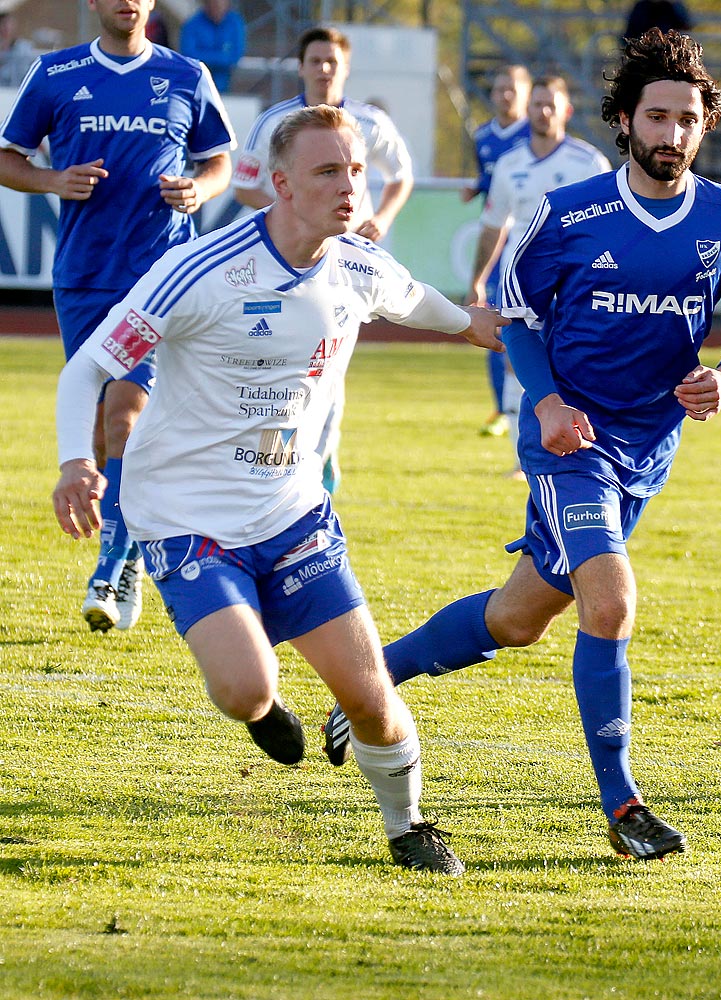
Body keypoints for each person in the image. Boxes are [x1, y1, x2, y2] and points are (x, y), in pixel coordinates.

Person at [324, 29, 721, 861]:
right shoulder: (570, 216)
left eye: (687, 120)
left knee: (516, 619)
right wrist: (542, 404)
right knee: (609, 602)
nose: (671, 134)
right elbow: (515, 321)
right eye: (656, 116)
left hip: (649, 450)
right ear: (622, 119)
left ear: (703, 126)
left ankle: (375, 674)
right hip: (568, 445)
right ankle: (623, 808)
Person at [51, 105, 508, 875]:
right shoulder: (197, 271)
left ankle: (409, 826)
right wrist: (74, 463)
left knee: (367, 700)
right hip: (184, 515)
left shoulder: (359, 267)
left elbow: (443, 313)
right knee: (242, 688)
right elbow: (87, 368)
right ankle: (263, 712)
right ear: (281, 184)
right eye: (329, 171)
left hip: (291, 512)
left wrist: (491, 327)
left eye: (356, 170)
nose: (349, 187)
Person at [0, 0, 235, 634]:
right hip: (82, 276)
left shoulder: (187, 74)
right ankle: (132, 549)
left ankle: (113, 567)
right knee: (104, 432)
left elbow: (219, 163)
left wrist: (200, 189)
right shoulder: (53, 73)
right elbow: (7, 157)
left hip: (160, 278)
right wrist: (52, 181)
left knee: (123, 420)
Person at [232, 25, 415, 495]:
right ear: (301, 67)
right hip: (285, 259)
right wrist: (295, 215)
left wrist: (386, 217)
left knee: (326, 365)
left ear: (345, 68)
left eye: (332, 61)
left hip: (346, 261)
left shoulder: (369, 122)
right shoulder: (273, 122)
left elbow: (401, 174)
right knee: (281, 360)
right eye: (315, 61)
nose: (323, 70)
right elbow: (245, 185)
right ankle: (279, 471)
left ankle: (319, 475)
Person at [467, 74, 610, 476]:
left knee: (572, 361)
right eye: (537, 104)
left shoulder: (588, 162)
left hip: (575, 283)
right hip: (522, 281)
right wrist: (479, 279)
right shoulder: (510, 164)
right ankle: (522, 457)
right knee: (517, 361)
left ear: (565, 110)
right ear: (527, 109)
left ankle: (581, 445)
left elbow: (604, 230)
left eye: (551, 104)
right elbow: (494, 224)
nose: (543, 111)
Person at [461, 64, 532, 440]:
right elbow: (490, 179)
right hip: (499, 240)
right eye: (500, 88)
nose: (505, 95)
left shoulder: (534, 136)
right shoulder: (483, 136)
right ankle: (501, 408)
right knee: (497, 326)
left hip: (530, 244)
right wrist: (476, 188)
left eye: (512, 90)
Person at [179, 0, 245, 94]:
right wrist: (222, 57)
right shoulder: (192, 24)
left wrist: (204, 57)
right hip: (196, 87)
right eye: (214, 3)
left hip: (224, 87)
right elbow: (188, 55)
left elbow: (235, 55)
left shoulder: (235, 22)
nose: (218, 7)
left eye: (221, 4)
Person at [623, 0, 694, 41]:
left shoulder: (673, 6)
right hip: (644, 47)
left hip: (669, 48)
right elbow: (630, 33)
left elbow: (686, 27)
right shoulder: (641, 7)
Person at [0, 11, 36, 87]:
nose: (6, 28)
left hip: (15, 91)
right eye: (2, 23)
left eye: (9, 24)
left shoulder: (24, 47)